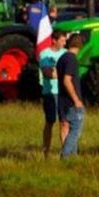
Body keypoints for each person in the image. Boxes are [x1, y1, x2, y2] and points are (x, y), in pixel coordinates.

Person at [39, 30, 69, 158]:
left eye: (65, 40)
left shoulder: (66, 54)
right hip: (50, 93)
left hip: (63, 92)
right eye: (62, 40)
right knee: (50, 122)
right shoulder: (45, 54)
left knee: (64, 122)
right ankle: (46, 151)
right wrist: (60, 74)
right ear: (54, 40)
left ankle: (65, 152)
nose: (64, 43)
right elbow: (47, 73)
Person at [57, 33, 85, 158]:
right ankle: (66, 156)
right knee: (75, 131)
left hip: (62, 100)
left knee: (72, 129)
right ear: (80, 45)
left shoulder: (62, 58)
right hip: (71, 102)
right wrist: (76, 99)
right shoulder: (71, 59)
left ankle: (73, 158)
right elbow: (67, 80)